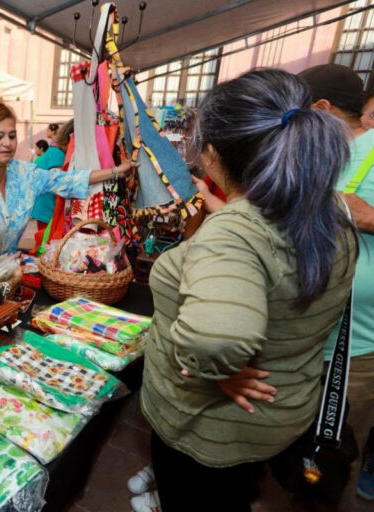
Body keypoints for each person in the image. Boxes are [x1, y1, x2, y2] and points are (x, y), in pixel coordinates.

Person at [140, 69, 358, 511]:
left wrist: (213, 368)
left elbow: (216, 335)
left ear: (214, 153)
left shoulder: (231, 235)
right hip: (274, 414)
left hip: (208, 431)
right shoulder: (326, 209)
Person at [299, 64, 374, 503]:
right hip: (310, 339)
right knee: (306, 454)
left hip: (357, 351)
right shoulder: (325, 162)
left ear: (321, 110)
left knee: (333, 456)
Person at [0, 99, 134, 255]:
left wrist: (116, 171)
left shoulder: (25, 174)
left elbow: (68, 180)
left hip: (1, 281)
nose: (7, 143)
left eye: (12, 135)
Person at [31, 123, 69, 230]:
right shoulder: (56, 153)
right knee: (47, 241)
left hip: (46, 204)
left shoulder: (55, 151)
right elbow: (58, 183)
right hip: (47, 206)